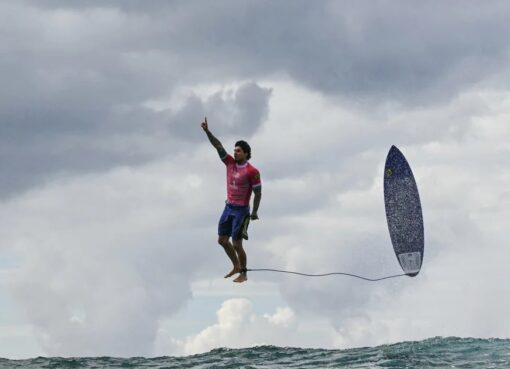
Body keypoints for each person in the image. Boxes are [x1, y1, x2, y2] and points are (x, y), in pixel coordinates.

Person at [201, 117, 262, 283]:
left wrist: (255, 212)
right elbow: (218, 146)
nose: (235, 153)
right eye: (234, 150)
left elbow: (258, 193)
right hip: (228, 208)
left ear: (246, 154)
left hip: (241, 211)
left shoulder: (252, 171)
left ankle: (243, 273)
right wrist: (207, 132)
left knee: (237, 244)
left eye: (239, 151)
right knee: (222, 240)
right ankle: (235, 265)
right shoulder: (229, 163)